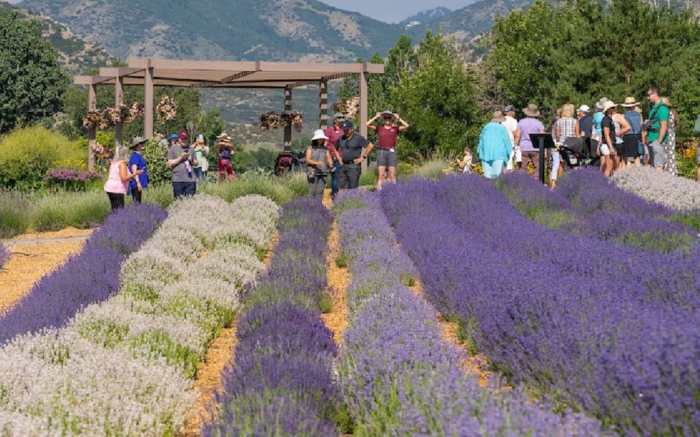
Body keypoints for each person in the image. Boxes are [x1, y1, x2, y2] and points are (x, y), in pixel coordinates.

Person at [367, 110, 409, 190]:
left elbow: (407, 125)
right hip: (381, 151)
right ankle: (379, 193)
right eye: (385, 118)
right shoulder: (379, 128)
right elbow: (367, 124)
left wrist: (398, 118)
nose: (387, 120)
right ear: (383, 119)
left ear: (391, 119)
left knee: (392, 175)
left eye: (389, 118)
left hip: (391, 152)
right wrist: (376, 117)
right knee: (381, 175)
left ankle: (394, 193)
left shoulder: (395, 128)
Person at [337, 120, 373, 190]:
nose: (345, 131)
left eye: (347, 130)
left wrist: (363, 157)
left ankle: (352, 200)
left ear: (352, 129)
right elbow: (335, 148)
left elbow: (370, 145)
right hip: (343, 166)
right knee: (341, 188)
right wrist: (338, 158)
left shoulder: (358, 138)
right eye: (344, 130)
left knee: (352, 189)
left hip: (354, 166)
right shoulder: (341, 138)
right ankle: (342, 201)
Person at [478, 111, 512, 179]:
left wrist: (479, 152)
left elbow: (481, 141)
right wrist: (509, 153)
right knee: (497, 176)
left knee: (487, 177)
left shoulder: (486, 127)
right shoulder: (502, 128)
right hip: (499, 154)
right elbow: (507, 142)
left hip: (486, 154)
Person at [104, 146, 140, 211]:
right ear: (125, 154)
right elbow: (123, 178)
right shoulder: (122, 163)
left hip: (109, 188)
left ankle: (113, 220)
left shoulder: (114, 163)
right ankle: (119, 220)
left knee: (114, 209)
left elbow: (115, 175)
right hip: (117, 189)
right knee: (120, 210)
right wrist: (135, 173)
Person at [551, 104, 578, 188]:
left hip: (561, 145)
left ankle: (556, 183)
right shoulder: (575, 121)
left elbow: (557, 135)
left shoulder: (558, 121)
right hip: (571, 145)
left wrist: (559, 141)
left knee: (559, 164)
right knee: (572, 165)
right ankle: (572, 184)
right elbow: (577, 135)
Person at [645, 87, 670, 171]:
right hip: (651, 139)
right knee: (653, 166)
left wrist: (659, 141)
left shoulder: (662, 108)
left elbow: (664, 126)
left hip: (657, 140)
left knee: (658, 167)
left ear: (655, 94)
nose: (648, 98)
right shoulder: (653, 108)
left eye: (649, 95)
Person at [167, 130, 198, 199]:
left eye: (185, 139)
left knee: (190, 202)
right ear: (179, 139)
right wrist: (181, 158)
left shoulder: (191, 149)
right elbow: (169, 164)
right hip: (178, 180)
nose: (184, 140)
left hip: (191, 180)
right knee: (178, 202)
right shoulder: (173, 148)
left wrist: (191, 160)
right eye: (182, 139)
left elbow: (196, 163)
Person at [517, 104, 545, 174]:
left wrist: (516, 146)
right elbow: (542, 136)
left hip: (524, 147)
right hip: (536, 147)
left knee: (523, 167)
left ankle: (523, 182)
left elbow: (518, 135)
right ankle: (536, 182)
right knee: (537, 167)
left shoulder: (521, 122)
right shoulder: (539, 123)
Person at [305, 129, 334, 198]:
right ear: (316, 139)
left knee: (320, 192)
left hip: (323, 172)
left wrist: (331, 164)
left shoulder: (325, 149)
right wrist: (316, 163)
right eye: (319, 139)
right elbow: (307, 160)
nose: (320, 140)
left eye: (321, 138)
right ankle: (310, 207)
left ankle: (318, 207)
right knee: (312, 191)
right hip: (312, 173)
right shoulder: (310, 148)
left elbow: (328, 157)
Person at [324, 113, 345, 199]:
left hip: (342, 157)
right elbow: (325, 144)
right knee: (335, 176)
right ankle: (334, 194)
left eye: (342, 118)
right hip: (332, 157)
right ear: (335, 120)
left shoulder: (343, 130)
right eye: (339, 118)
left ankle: (338, 194)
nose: (341, 120)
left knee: (341, 176)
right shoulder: (329, 130)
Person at [622, 97, 644, 166]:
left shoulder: (624, 115)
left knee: (628, 158)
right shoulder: (639, 114)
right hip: (638, 136)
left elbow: (623, 127)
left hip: (628, 136)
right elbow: (641, 126)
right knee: (637, 157)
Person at [127, 137, 149, 204]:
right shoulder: (135, 156)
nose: (143, 144)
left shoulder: (138, 155)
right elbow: (134, 170)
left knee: (138, 202)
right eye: (141, 143)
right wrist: (138, 183)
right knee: (137, 203)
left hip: (138, 183)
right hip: (136, 184)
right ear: (137, 145)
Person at [600, 101, 618, 177]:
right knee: (609, 167)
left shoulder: (609, 119)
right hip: (607, 145)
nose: (614, 109)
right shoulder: (606, 120)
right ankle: (604, 184)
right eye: (612, 108)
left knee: (613, 165)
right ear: (608, 110)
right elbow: (606, 135)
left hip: (609, 144)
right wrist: (611, 147)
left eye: (614, 107)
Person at [662, 97, 678, 176]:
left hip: (666, 134)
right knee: (671, 154)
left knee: (665, 154)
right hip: (672, 134)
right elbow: (676, 124)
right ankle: (672, 172)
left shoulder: (665, 113)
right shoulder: (674, 112)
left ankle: (667, 172)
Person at [502, 105, 521, 171]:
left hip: (501, 146)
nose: (515, 113)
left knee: (503, 166)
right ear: (511, 112)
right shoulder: (513, 121)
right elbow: (516, 135)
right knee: (510, 167)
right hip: (510, 145)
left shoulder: (500, 121)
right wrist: (515, 146)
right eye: (514, 111)